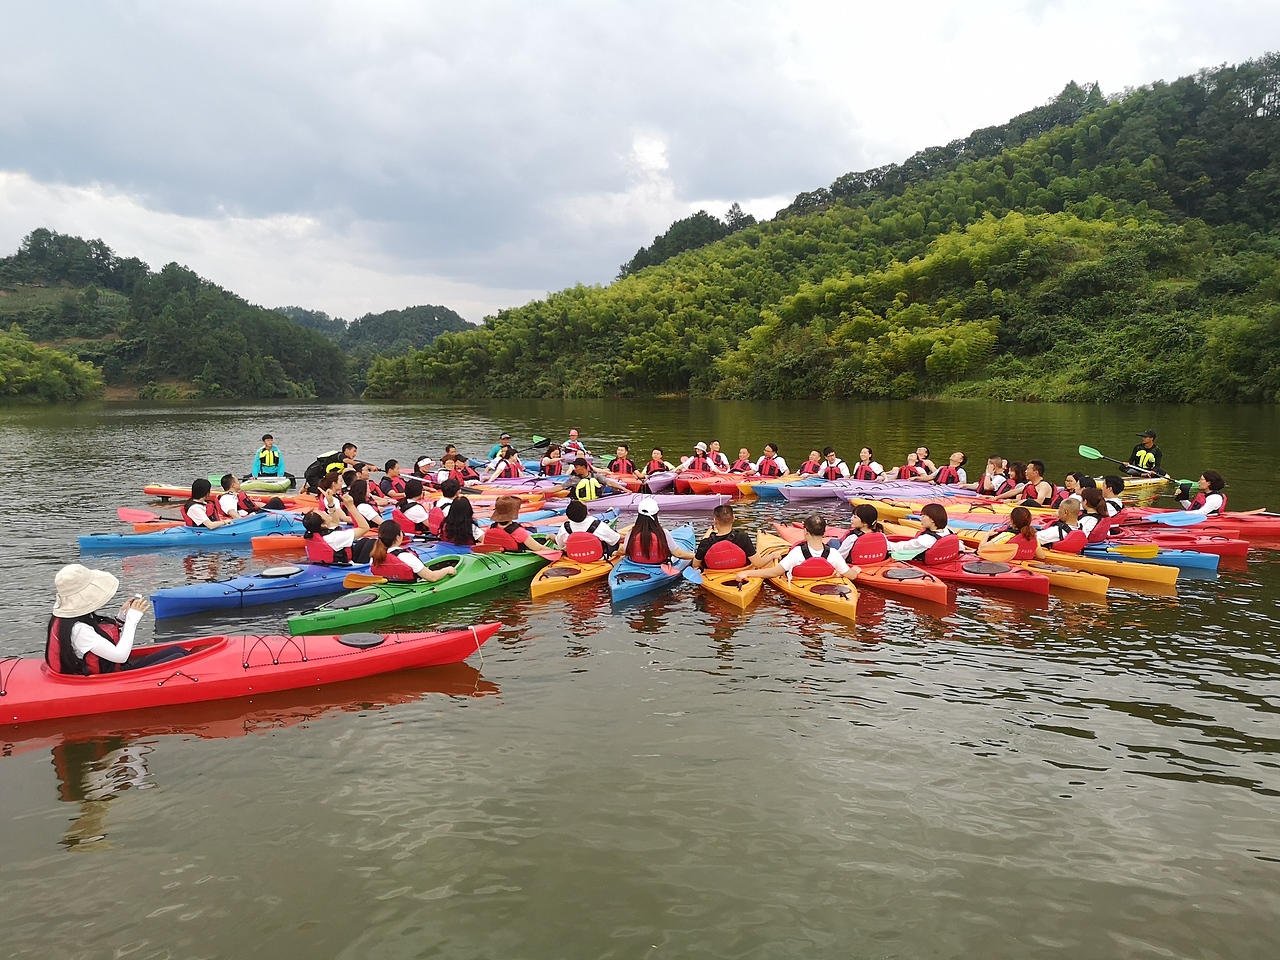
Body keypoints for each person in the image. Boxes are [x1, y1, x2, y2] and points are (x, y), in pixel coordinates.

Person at [46, 565, 187, 675]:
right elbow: (120, 657)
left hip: (110, 668)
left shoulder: (65, 618)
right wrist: (133, 619)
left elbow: (97, 636)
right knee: (179, 657)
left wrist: (121, 619)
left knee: (178, 650)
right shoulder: (79, 630)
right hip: (107, 678)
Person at [734, 514, 858, 583]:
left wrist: (747, 572)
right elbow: (851, 576)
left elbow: (773, 573)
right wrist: (857, 570)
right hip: (825, 585)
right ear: (825, 532)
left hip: (801, 585)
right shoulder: (834, 554)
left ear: (805, 532)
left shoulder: (797, 553)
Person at [370, 521, 457, 583]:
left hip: (388, 587)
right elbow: (432, 577)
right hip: (410, 589)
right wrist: (448, 570)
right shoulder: (406, 557)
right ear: (397, 537)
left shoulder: (374, 557)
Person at [692, 504, 766, 571]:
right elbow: (758, 564)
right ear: (733, 518)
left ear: (715, 521)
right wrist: (773, 555)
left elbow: (695, 565)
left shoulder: (705, 543)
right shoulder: (743, 538)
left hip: (713, 577)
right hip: (740, 574)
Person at [622, 497, 694, 564]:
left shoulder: (632, 532)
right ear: (655, 515)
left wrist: (615, 553)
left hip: (636, 564)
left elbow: (623, 550)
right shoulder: (663, 533)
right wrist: (696, 556)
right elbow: (679, 554)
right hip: (658, 565)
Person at [480, 496, 558, 556]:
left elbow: (485, 545)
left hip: (498, 556)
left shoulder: (490, 528)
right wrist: (557, 552)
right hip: (515, 557)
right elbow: (539, 548)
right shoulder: (518, 532)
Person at [302, 502, 374, 564]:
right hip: (344, 568)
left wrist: (330, 503)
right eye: (321, 513)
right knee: (372, 542)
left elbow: (335, 522)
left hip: (330, 565)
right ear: (323, 525)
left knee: (364, 541)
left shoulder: (315, 534)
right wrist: (351, 506)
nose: (323, 511)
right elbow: (365, 528)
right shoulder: (335, 537)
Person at [553, 499, 621, 556]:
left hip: (574, 557)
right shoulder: (598, 525)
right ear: (587, 513)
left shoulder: (565, 527)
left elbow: (560, 543)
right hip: (597, 559)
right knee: (613, 540)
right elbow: (616, 540)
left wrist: (551, 536)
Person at [562, 458, 630, 501]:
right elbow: (561, 487)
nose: (575, 469)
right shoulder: (574, 478)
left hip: (595, 500)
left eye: (576, 467)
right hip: (579, 501)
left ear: (583, 467)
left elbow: (609, 483)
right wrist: (550, 492)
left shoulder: (595, 475)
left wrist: (624, 489)